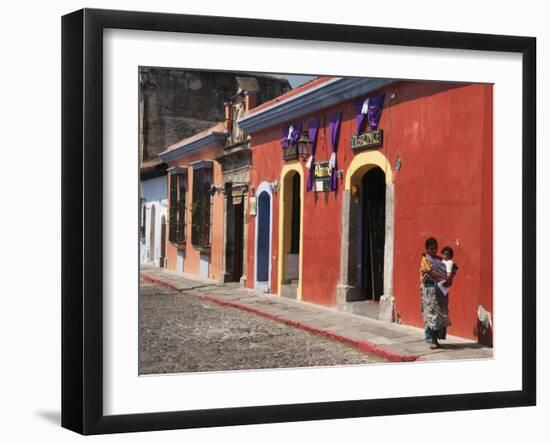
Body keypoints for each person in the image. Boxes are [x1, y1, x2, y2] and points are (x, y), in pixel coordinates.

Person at [420, 237, 451, 349]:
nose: (434, 251)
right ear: (427, 249)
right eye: (431, 249)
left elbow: (446, 270)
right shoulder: (425, 260)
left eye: (435, 248)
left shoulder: (439, 260)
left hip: (440, 290)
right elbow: (432, 273)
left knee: (440, 315)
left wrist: (449, 278)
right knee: (432, 315)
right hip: (429, 290)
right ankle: (432, 339)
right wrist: (444, 278)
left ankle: (437, 339)